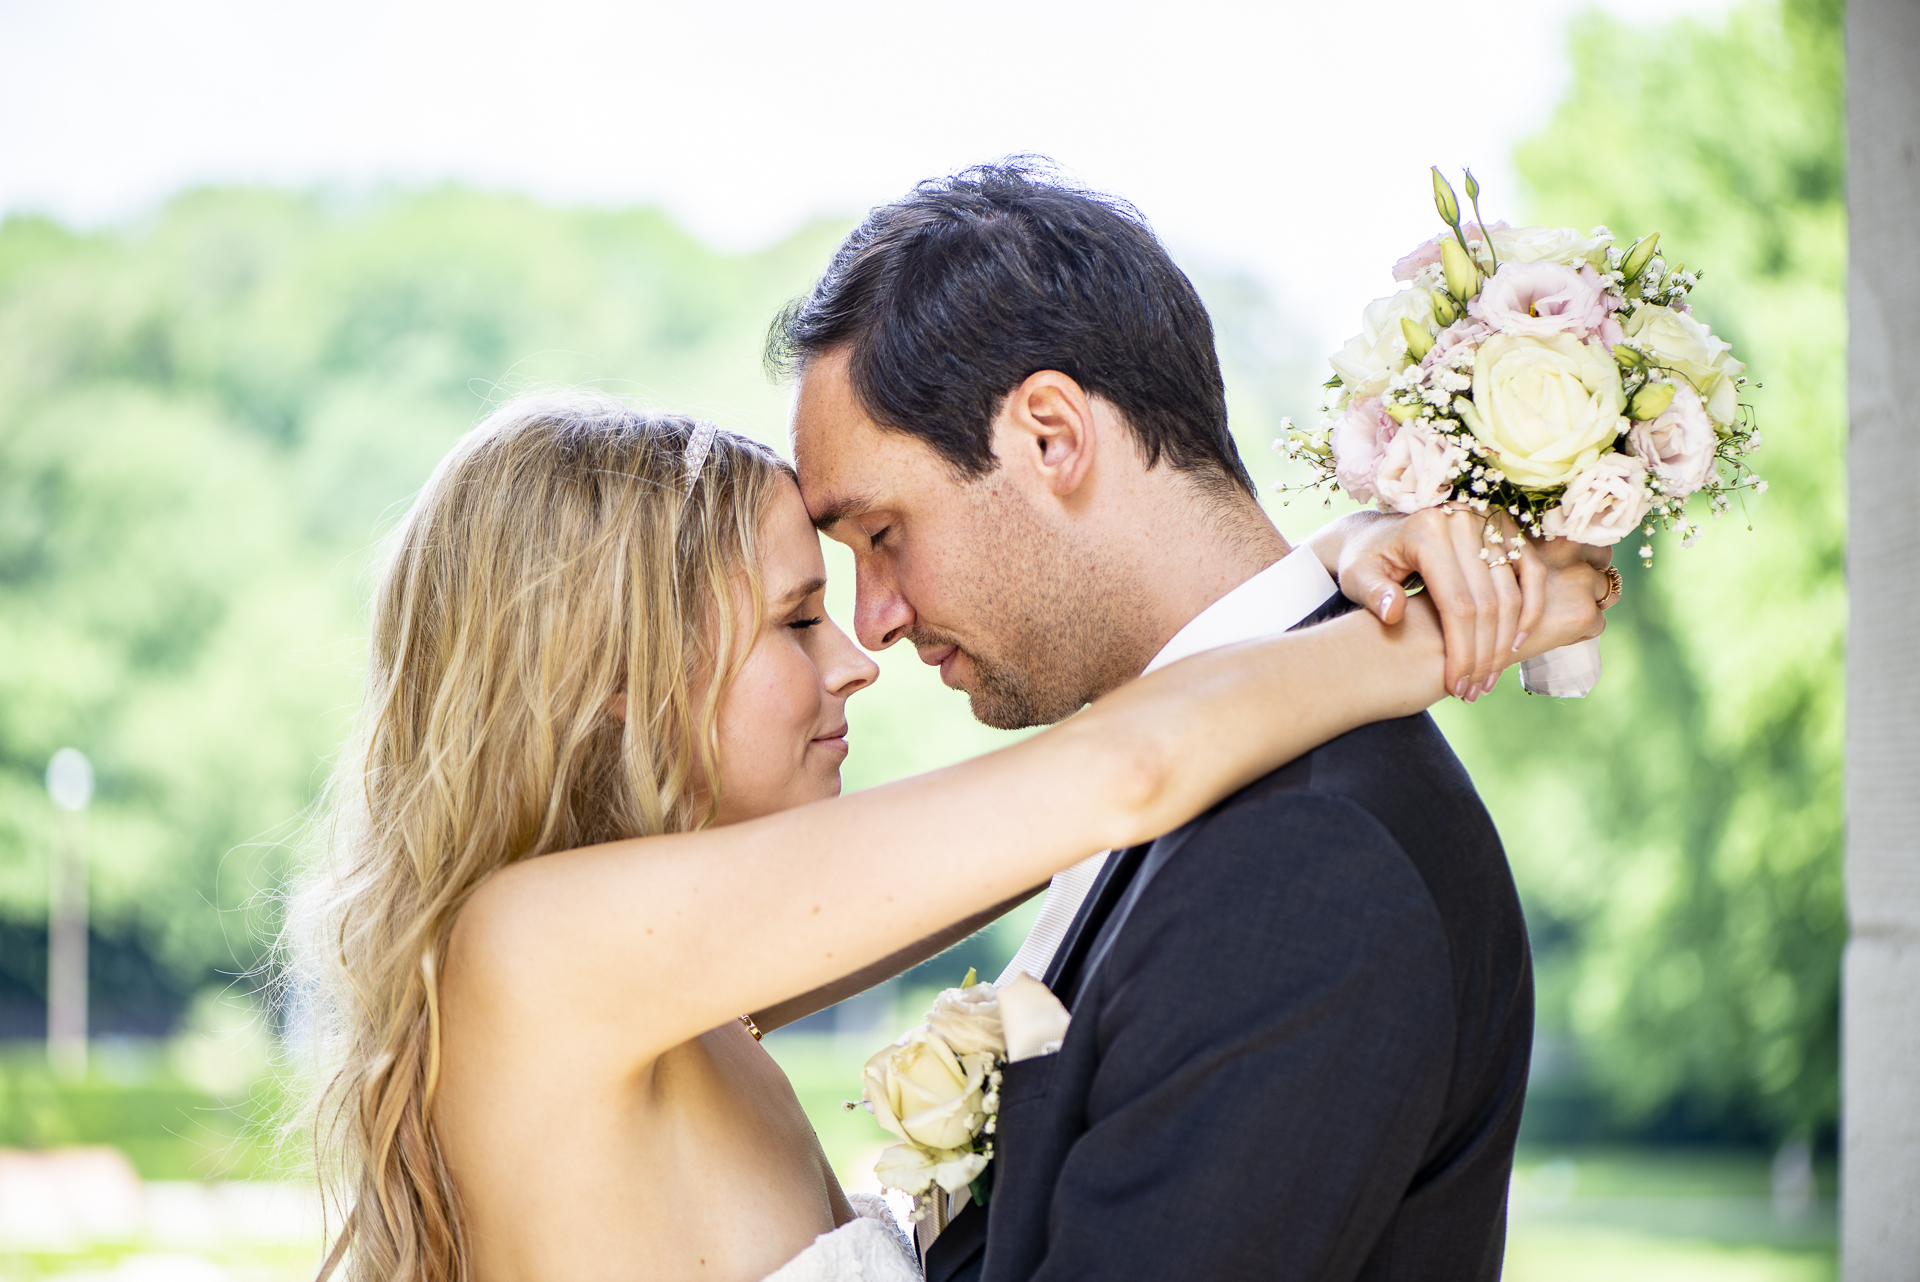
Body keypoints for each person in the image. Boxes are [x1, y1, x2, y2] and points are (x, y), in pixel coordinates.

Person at [293, 390, 1604, 1281]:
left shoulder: (659, 981)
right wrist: (1443, 629)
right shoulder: (550, 945)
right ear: (615, 674)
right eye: (798, 619)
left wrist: (1329, 559)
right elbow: (1121, 774)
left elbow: (1046, 827)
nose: (860, 659)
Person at [768, 160, 1618, 1281]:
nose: (873, 622)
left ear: (1052, 435)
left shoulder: (1305, 857)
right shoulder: (1224, 789)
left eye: (882, 534)